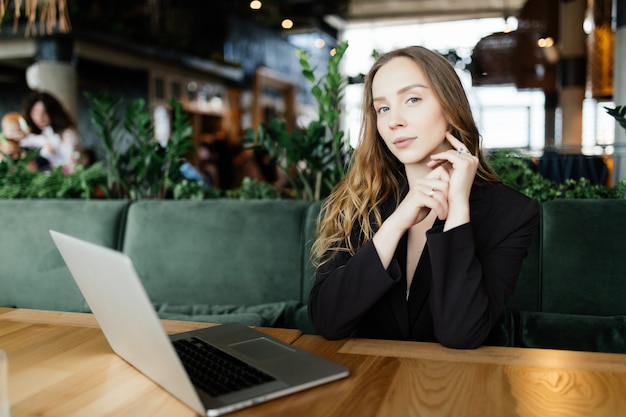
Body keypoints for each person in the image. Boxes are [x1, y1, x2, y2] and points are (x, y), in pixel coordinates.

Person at [308, 46, 540, 349]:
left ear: (450, 104)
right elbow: (328, 319)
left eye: (413, 99)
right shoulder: (358, 199)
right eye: (383, 109)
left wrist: (457, 210)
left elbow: (461, 333)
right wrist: (397, 222)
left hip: (455, 387)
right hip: (367, 381)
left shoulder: (512, 213)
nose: (394, 121)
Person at [20, 91, 80, 173]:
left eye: (44, 112)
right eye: (35, 112)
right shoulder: (31, 134)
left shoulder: (67, 133)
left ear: (53, 112)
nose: (39, 118)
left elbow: (73, 165)